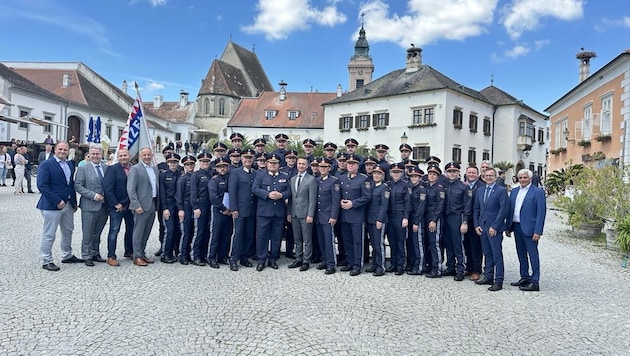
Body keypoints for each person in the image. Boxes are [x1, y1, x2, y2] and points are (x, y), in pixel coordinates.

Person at [37, 141, 82, 271]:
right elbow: (42, 185)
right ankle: (47, 260)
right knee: (49, 233)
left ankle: (67, 255)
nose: (62, 152)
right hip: (52, 205)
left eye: (65, 150)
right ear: (54, 150)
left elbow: (70, 185)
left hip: (68, 204)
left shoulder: (69, 164)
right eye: (60, 149)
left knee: (68, 231)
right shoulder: (46, 164)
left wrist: (73, 202)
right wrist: (57, 201)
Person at [507, 169, 546, 292]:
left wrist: (538, 231)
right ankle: (524, 276)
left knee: (533, 254)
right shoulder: (514, 191)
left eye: (525, 178)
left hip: (530, 228)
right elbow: (510, 210)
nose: (522, 180)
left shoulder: (538, 192)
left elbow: (541, 213)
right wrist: (508, 227)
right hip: (517, 226)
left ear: (530, 178)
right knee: (521, 253)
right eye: (520, 178)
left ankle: (535, 281)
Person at [252, 153, 291, 271]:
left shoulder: (284, 176)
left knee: (276, 237)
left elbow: (289, 191)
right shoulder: (260, 175)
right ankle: (261, 260)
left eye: (275, 163)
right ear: (267, 163)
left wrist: (281, 195)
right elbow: (255, 189)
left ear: (279, 164)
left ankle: (273, 259)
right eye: (270, 163)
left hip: (278, 212)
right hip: (264, 212)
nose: (273, 165)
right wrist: (267, 194)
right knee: (262, 237)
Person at [473, 167, 509, 291]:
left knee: (496, 254)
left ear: (495, 177)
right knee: (487, 253)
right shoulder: (480, 191)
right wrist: (476, 224)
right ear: (483, 177)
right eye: (486, 175)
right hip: (482, 226)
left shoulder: (501, 191)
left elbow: (503, 210)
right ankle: (488, 276)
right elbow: (476, 209)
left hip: (494, 227)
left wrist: (495, 226)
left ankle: (498, 280)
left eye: (491, 175)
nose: (488, 177)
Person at [74, 145, 109, 266]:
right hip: (89, 205)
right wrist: (93, 195)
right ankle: (86, 255)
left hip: (104, 206)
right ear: (89, 155)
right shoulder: (83, 168)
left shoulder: (106, 167)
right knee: (88, 232)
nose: (95, 156)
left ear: (101, 154)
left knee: (97, 232)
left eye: (97, 154)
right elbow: (78, 186)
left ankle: (95, 253)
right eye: (92, 154)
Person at [338, 154, 371, 276]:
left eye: (353, 164)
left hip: (357, 216)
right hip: (344, 215)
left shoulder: (363, 179)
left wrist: (353, 203)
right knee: (347, 240)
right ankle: (350, 262)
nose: (351, 165)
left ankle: (357, 265)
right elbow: (337, 194)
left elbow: (367, 197)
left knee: (357, 241)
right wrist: (340, 201)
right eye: (349, 163)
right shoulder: (341, 178)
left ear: (357, 166)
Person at [127, 147, 159, 267]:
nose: (146, 157)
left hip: (152, 203)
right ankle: (137, 256)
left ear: (152, 155)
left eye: (148, 154)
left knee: (146, 231)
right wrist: (136, 205)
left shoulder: (154, 169)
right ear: (140, 156)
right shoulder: (135, 169)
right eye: (144, 155)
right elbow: (130, 189)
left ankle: (142, 252)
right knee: (138, 232)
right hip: (140, 206)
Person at [102, 149, 134, 266]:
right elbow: (107, 188)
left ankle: (129, 250)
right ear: (118, 157)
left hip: (131, 205)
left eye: (125, 155)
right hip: (117, 206)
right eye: (120, 156)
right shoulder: (112, 169)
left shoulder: (134, 168)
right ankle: (111, 256)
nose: (123, 157)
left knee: (131, 229)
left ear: (129, 156)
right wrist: (115, 203)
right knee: (114, 231)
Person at [228, 148, 257, 271]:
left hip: (252, 209)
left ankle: (244, 257)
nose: (248, 160)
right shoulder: (235, 172)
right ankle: (234, 259)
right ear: (241, 159)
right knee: (238, 235)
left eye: (250, 158)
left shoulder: (256, 173)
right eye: (245, 158)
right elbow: (232, 192)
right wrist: (234, 208)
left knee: (249, 234)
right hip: (240, 209)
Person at [442, 162, 472, 281]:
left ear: (459, 173)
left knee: (458, 244)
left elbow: (467, 205)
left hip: (457, 217)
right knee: (448, 243)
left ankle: (460, 269)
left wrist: (464, 222)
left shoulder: (464, 187)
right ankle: (450, 267)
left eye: (454, 171)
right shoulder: (443, 185)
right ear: (446, 173)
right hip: (446, 217)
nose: (452, 173)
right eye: (449, 171)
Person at [287, 157, 318, 271]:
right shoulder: (293, 179)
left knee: (307, 239)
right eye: (299, 163)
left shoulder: (311, 180)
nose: (300, 166)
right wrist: (289, 212)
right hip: (294, 213)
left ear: (307, 166)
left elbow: (312, 199)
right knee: (297, 238)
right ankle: (298, 258)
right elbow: (291, 198)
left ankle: (306, 260)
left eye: (303, 164)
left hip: (305, 214)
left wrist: (310, 214)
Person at [315, 158, 340, 275]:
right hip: (318, 216)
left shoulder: (334, 181)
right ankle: (324, 260)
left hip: (328, 216)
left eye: (325, 167)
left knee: (329, 241)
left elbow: (336, 201)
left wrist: (333, 216)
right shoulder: (317, 180)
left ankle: (331, 264)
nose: (323, 169)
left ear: (329, 168)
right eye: (321, 166)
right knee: (321, 241)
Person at [386, 162, 411, 275]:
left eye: (398, 172)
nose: (396, 174)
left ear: (401, 173)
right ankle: (393, 263)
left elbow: (408, 203)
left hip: (400, 215)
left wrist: (405, 217)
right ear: (391, 173)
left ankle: (401, 265)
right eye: (394, 172)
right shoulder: (387, 184)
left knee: (400, 241)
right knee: (392, 241)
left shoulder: (406, 185)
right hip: (389, 215)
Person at [207, 157, 232, 268]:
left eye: (224, 166)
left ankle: (223, 256)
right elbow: (213, 197)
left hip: (230, 212)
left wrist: (231, 209)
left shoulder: (230, 178)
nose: (222, 169)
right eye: (220, 167)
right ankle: (212, 257)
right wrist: (223, 209)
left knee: (227, 235)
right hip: (218, 211)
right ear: (216, 168)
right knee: (215, 235)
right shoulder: (214, 180)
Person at [189, 152, 213, 266]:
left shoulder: (212, 173)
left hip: (210, 204)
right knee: (199, 231)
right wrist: (195, 207)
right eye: (203, 161)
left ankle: (204, 255)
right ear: (200, 162)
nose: (205, 163)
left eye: (207, 161)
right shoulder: (196, 175)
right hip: (200, 204)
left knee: (207, 231)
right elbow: (193, 193)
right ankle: (195, 255)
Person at [365, 166, 389, 276]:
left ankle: (381, 266)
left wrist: (380, 220)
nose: (376, 176)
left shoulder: (384, 188)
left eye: (379, 174)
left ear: (383, 176)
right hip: (370, 219)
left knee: (379, 244)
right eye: (375, 174)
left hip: (379, 220)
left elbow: (384, 206)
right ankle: (374, 264)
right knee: (374, 244)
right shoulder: (371, 187)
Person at [159, 152, 182, 264]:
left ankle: (176, 251)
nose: (173, 164)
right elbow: (162, 194)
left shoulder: (180, 175)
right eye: (171, 162)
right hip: (168, 205)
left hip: (178, 205)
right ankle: (165, 254)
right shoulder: (163, 175)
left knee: (178, 230)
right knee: (169, 230)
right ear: (167, 163)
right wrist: (164, 208)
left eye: (175, 162)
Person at [463, 166, 484, 281]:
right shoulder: (463, 185)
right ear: (466, 174)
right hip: (464, 220)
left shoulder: (481, 186)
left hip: (476, 219)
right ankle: (469, 267)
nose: (471, 174)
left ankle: (476, 270)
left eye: (473, 172)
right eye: (469, 172)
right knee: (466, 244)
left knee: (476, 246)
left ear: (478, 174)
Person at [424, 164, 445, 278]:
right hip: (426, 217)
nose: (431, 176)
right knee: (428, 243)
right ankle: (430, 265)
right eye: (430, 174)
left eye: (434, 174)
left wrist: (434, 220)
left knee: (435, 243)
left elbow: (440, 206)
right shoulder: (426, 187)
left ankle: (437, 269)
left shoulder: (439, 188)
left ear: (437, 176)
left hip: (434, 217)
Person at [175, 154, 197, 265]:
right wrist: (180, 209)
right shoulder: (182, 179)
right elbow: (178, 195)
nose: (190, 166)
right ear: (184, 166)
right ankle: (182, 255)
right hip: (186, 207)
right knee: (186, 232)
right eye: (187, 164)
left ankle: (189, 253)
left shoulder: (196, 176)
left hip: (195, 207)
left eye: (192, 164)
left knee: (193, 231)